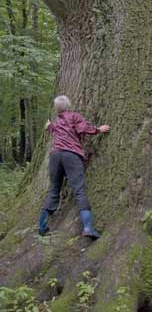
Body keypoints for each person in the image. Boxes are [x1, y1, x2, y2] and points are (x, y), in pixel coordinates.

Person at [38, 95, 110, 239]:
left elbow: (54, 129)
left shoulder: (56, 122)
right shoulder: (74, 116)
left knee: (53, 190)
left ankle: (42, 227)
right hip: (71, 155)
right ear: (68, 105)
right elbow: (84, 128)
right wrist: (99, 129)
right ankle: (88, 228)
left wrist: (49, 127)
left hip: (55, 156)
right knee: (79, 190)